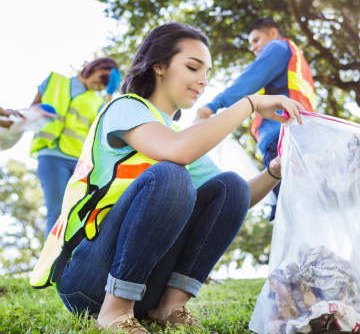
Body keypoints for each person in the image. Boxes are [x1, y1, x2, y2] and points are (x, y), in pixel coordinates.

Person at [30, 22, 304, 333]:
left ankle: (170, 307)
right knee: (171, 174)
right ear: (159, 66)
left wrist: (275, 171)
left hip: (146, 289)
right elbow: (178, 152)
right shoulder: (125, 107)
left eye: (208, 73)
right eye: (192, 67)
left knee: (232, 185)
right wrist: (249, 104)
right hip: (88, 281)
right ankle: (114, 311)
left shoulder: (178, 138)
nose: (202, 81)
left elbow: (238, 200)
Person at [196, 17, 316, 219]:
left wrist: (211, 106)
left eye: (256, 40)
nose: (253, 47)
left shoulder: (278, 47)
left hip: (281, 141)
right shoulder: (295, 61)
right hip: (296, 139)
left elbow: (249, 80)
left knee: (290, 213)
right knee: (297, 211)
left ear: (272, 33)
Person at [31, 58, 121, 236]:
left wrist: (110, 94)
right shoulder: (54, 81)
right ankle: (53, 262)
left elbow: (103, 126)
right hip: (52, 156)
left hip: (80, 163)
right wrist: (39, 110)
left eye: (104, 85)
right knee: (56, 211)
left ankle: (70, 258)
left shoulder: (97, 101)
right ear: (92, 68)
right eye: (100, 79)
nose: (99, 86)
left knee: (79, 214)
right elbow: (32, 108)